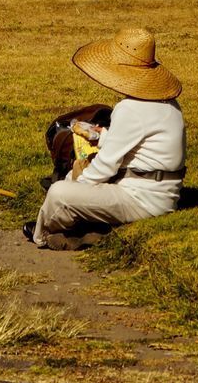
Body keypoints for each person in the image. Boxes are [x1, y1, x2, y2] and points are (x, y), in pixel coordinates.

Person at [23, 26, 185, 251]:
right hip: (165, 196)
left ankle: (41, 234)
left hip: (141, 199)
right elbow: (139, 143)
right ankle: (72, 218)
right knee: (70, 185)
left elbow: (105, 168)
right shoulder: (169, 105)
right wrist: (103, 136)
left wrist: (73, 184)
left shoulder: (130, 108)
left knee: (59, 194)